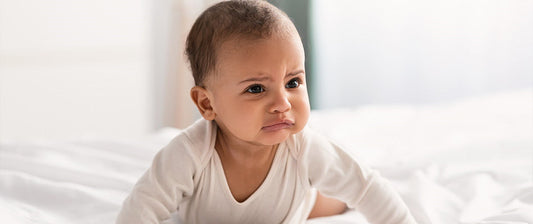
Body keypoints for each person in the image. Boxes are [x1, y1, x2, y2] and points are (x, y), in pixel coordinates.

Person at [117, 1, 417, 223]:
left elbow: (367, 188)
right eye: (257, 89)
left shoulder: (305, 148)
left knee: (336, 198)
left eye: (293, 82)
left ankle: (335, 196)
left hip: (297, 206)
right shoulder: (189, 154)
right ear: (207, 104)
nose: (283, 103)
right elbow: (142, 208)